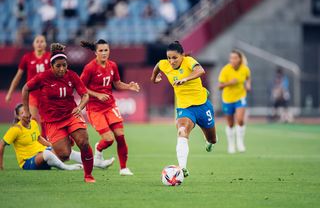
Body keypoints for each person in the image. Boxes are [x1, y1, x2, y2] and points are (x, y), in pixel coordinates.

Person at [22, 43, 95, 182]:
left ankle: (88, 175)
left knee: (84, 142)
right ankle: (68, 139)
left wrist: (80, 107)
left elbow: (85, 95)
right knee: (64, 155)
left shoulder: (72, 76)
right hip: (52, 121)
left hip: (71, 115)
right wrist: (27, 111)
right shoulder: (43, 77)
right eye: (58, 66)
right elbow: (25, 88)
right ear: (52, 66)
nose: (62, 69)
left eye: (64, 65)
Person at [150, 41, 217, 177]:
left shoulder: (189, 61)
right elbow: (158, 65)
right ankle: (182, 168)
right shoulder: (164, 64)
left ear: (182, 56)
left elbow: (200, 71)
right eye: (169, 58)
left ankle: (208, 142)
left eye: (175, 58)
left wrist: (185, 79)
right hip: (185, 108)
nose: (171, 61)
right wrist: (154, 78)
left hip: (202, 106)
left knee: (212, 139)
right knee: (182, 131)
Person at [80, 40, 140, 176]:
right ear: (95, 52)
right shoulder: (90, 68)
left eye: (106, 50)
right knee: (108, 139)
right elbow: (80, 87)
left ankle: (123, 168)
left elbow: (117, 84)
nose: (104, 53)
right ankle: (98, 150)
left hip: (110, 106)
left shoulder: (112, 65)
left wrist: (129, 86)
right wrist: (97, 95)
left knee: (120, 136)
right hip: (94, 108)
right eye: (100, 50)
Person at [0, 104, 83, 171]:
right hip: (28, 162)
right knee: (47, 154)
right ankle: (67, 168)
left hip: (42, 154)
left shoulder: (33, 123)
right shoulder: (15, 129)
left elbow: (39, 138)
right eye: (22, 113)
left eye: (27, 111)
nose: (26, 114)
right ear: (18, 117)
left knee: (65, 151)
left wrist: (52, 145)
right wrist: (1, 165)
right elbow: (1, 145)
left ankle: (93, 162)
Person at [6, 35, 51, 136]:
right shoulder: (27, 57)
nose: (39, 43)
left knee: (45, 120)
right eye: (37, 41)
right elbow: (18, 76)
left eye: (42, 41)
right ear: (33, 44)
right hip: (32, 94)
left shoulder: (49, 57)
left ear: (45, 44)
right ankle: (35, 142)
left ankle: (45, 143)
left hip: (46, 94)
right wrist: (10, 93)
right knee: (33, 119)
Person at [218, 50, 251, 154]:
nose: (232, 60)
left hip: (240, 97)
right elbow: (219, 86)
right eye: (231, 58)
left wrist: (248, 84)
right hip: (227, 99)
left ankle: (240, 143)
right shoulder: (225, 70)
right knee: (230, 123)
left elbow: (248, 77)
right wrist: (229, 83)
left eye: (235, 58)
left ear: (239, 59)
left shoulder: (244, 69)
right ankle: (231, 145)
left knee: (240, 120)